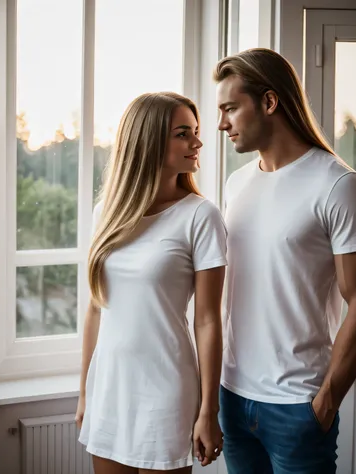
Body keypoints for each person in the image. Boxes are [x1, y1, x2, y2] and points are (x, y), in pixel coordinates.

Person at [214, 48, 356, 474]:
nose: (221, 124)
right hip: (232, 397)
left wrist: (325, 402)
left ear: (269, 103)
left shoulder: (339, 185)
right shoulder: (237, 185)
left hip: (297, 406)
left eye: (231, 108)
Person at [76, 91, 228, 474]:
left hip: (166, 391)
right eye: (183, 133)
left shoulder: (200, 216)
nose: (197, 142)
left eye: (195, 132)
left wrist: (209, 410)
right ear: (147, 139)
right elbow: (96, 308)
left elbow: (208, 320)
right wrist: (84, 393)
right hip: (110, 387)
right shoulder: (105, 213)